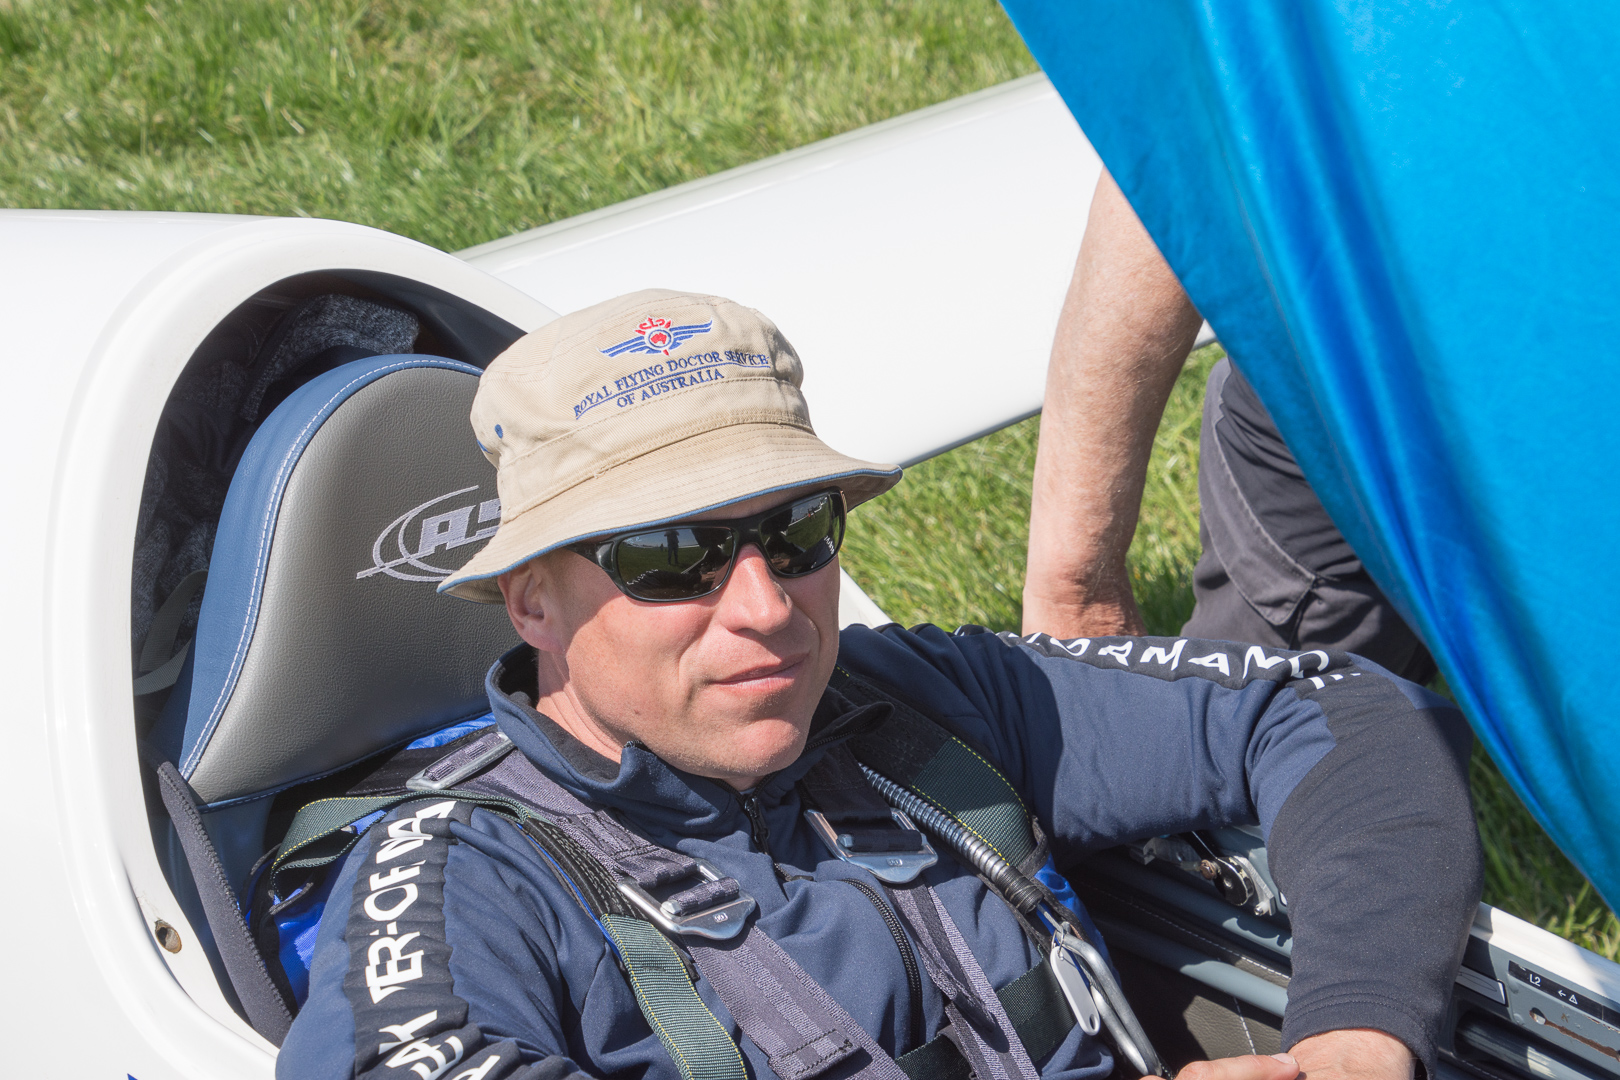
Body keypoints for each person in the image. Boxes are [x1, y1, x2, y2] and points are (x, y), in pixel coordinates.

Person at [276, 289, 1478, 1080]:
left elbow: (1343, 710)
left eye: (796, 531)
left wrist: (1356, 1035)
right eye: (672, 556)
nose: (765, 607)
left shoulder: (918, 700)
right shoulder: (463, 879)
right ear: (532, 601)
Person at [1023, 171, 1435, 684]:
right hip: (1364, 388)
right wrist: (1075, 587)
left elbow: (1169, 164)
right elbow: (1168, 168)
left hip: (1362, 389)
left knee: (1243, 716)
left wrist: (1074, 591)